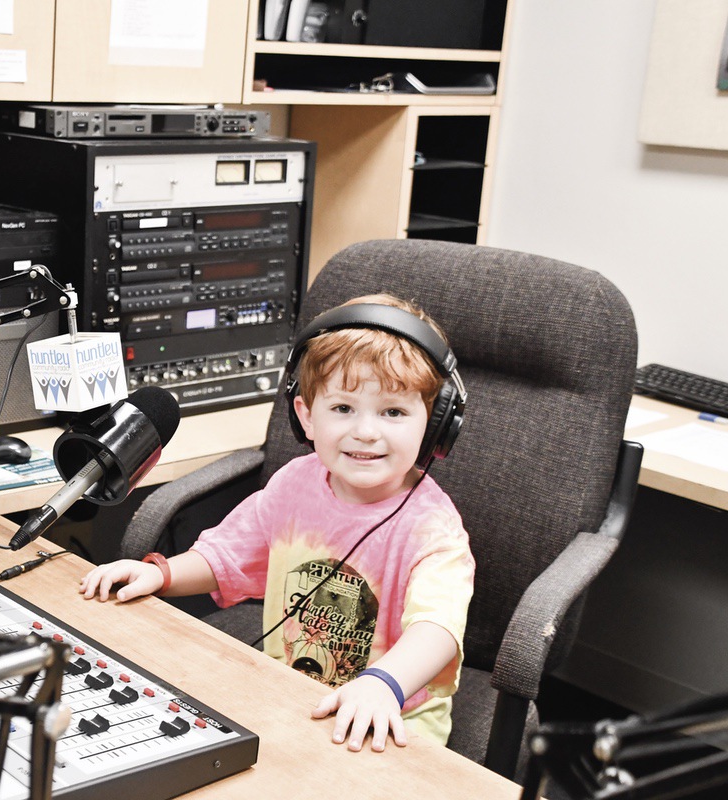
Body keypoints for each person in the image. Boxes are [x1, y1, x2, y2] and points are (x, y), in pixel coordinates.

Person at [79, 293, 475, 753]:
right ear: (306, 417)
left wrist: (383, 684)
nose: (367, 431)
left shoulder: (433, 529)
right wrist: (161, 573)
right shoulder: (294, 483)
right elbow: (227, 555)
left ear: (435, 424)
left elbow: (438, 629)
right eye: (343, 409)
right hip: (290, 694)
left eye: (393, 412)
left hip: (389, 716)